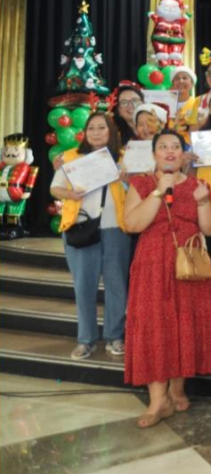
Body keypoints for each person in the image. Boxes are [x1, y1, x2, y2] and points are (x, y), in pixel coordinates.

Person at [122, 130, 211, 428]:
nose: (169, 151)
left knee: (183, 324)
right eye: (163, 147)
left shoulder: (197, 185)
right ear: (154, 153)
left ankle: (177, 388)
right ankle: (157, 402)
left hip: (189, 266)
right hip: (152, 266)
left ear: (184, 154)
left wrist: (205, 202)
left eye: (175, 147)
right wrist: (158, 191)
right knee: (155, 327)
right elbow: (131, 224)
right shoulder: (141, 184)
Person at [50, 113, 130, 360]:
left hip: (116, 228)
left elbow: (138, 190)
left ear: (111, 131)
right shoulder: (72, 157)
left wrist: (126, 181)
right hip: (81, 228)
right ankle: (85, 340)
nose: (96, 132)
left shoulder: (124, 158)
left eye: (101, 128)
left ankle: (114, 337)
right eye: (91, 128)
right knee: (83, 288)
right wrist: (70, 194)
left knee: (117, 286)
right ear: (85, 132)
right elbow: (55, 187)